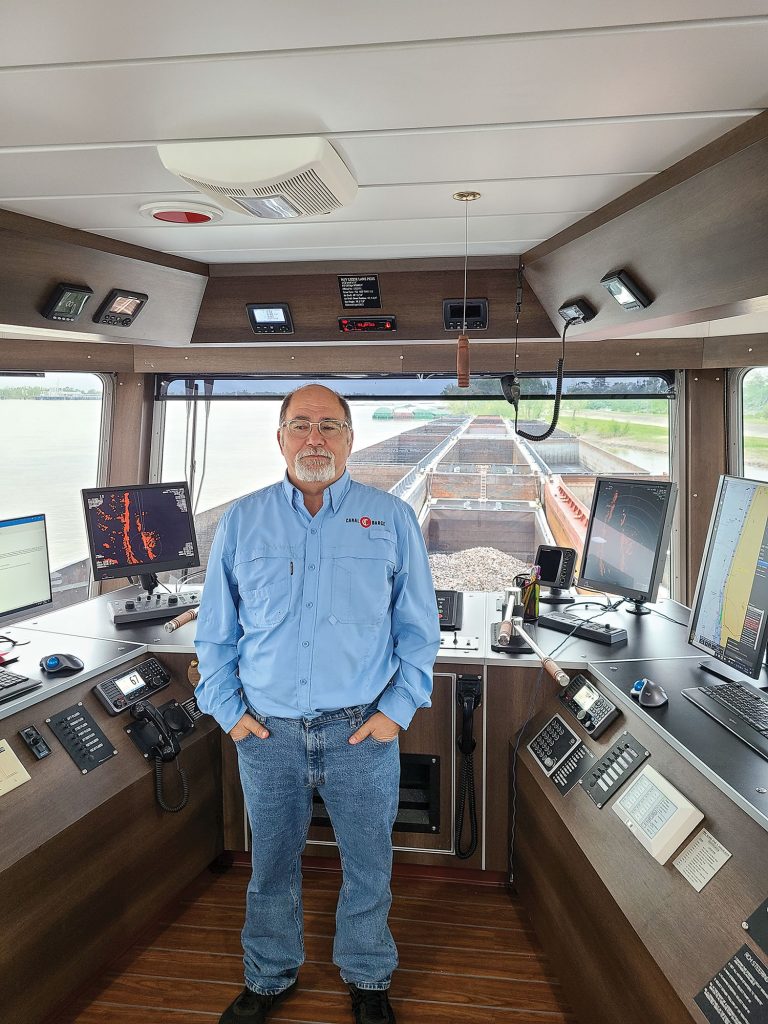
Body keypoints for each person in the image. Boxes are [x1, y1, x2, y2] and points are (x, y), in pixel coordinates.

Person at [195, 384, 440, 1024]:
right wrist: (231, 714)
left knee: (369, 865)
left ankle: (367, 977)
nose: (315, 439)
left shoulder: (391, 519)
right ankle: (269, 977)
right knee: (270, 867)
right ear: (279, 437)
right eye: (300, 425)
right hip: (267, 733)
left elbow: (419, 631)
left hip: (361, 731)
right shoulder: (242, 522)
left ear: (350, 439)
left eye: (330, 426)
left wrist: (395, 712)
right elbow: (215, 633)